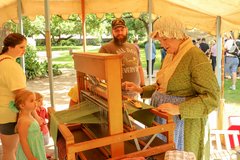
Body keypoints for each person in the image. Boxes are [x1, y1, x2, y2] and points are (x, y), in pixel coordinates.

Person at [122, 16, 220, 160]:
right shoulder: (171, 54)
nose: (162, 44)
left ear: (176, 34)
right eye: (160, 40)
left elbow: (212, 98)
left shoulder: (195, 57)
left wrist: (179, 109)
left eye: (164, 39)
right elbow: (163, 86)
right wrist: (141, 90)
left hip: (183, 123)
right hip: (164, 118)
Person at [99, 18, 145, 98]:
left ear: (126, 30)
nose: (120, 33)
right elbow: (99, 73)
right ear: (112, 32)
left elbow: (139, 68)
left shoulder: (134, 47)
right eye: (116, 30)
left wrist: (143, 86)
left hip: (135, 94)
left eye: (122, 30)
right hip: (116, 95)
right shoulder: (105, 49)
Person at [0, 33, 28, 160]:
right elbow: (21, 93)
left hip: (3, 113)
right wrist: (35, 114)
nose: (24, 51)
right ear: (10, 47)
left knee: (9, 150)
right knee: (9, 151)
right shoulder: (10, 65)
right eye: (21, 47)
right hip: (8, 114)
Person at [13, 90, 47, 160]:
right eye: (32, 101)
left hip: (36, 148)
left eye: (35, 100)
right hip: (30, 152)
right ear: (22, 105)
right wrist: (30, 157)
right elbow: (23, 141)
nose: (35, 103)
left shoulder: (29, 116)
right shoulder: (23, 121)